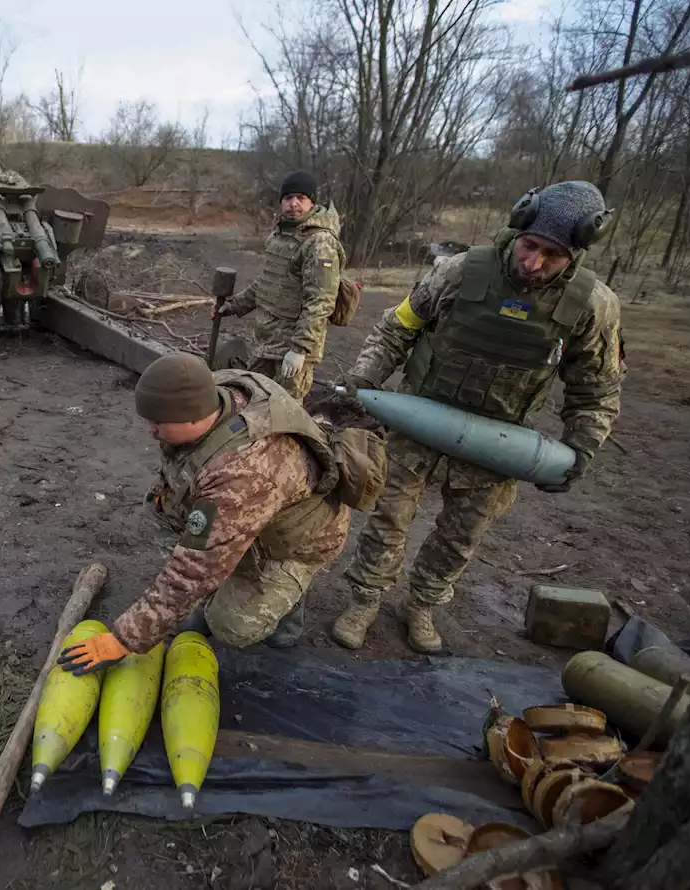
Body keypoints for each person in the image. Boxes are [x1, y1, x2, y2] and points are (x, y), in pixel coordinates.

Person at [330, 180, 625, 655]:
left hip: (498, 442)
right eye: (529, 246)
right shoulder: (460, 271)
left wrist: (582, 448)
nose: (533, 263)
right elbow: (396, 329)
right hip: (418, 421)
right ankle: (365, 599)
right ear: (518, 226)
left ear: (577, 252)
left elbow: (597, 388)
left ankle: (422, 604)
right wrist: (363, 381)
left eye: (552, 255)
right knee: (387, 517)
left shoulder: (592, 306)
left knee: (460, 536)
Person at [55, 353, 361, 676]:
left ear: (189, 417)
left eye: (157, 423)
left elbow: (192, 574)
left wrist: (123, 639)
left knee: (229, 623)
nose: (149, 431)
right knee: (164, 510)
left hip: (300, 540)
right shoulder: (212, 391)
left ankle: (289, 606)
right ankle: (235, 563)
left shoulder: (241, 474)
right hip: (258, 510)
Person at [214, 169, 346, 401]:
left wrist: (299, 350)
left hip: (292, 349)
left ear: (312, 202)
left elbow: (321, 302)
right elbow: (267, 283)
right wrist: (234, 305)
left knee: (283, 412)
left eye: (301, 198)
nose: (293, 204)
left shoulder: (319, 243)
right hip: (266, 341)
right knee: (253, 402)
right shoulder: (280, 235)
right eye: (288, 198)